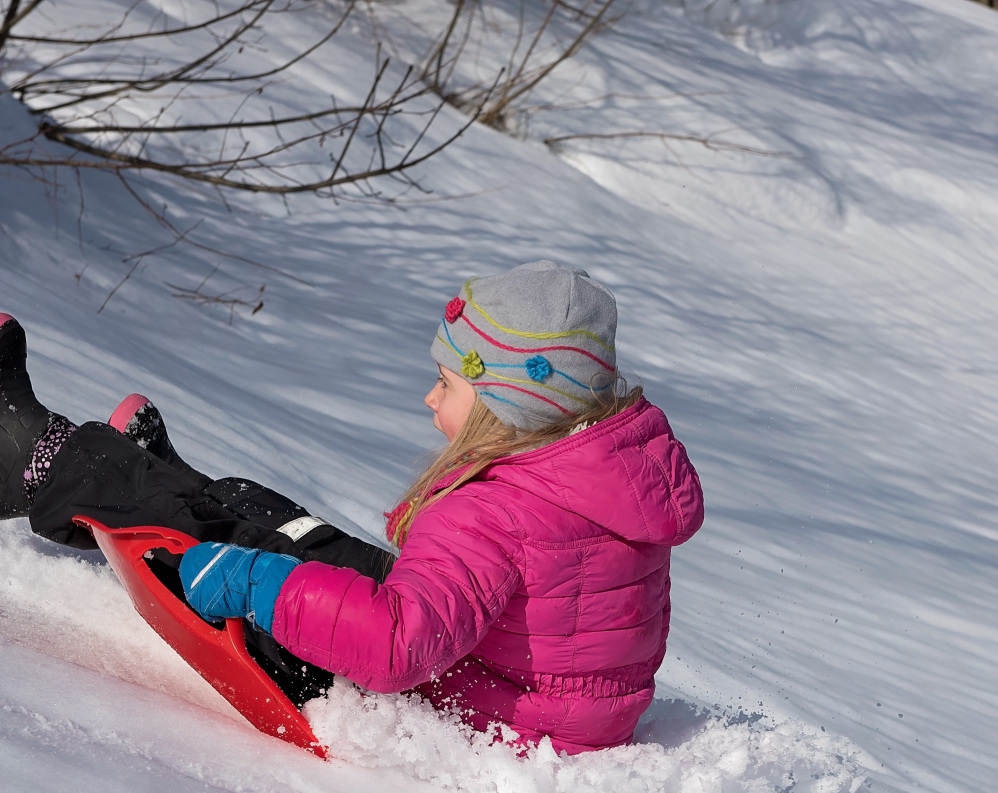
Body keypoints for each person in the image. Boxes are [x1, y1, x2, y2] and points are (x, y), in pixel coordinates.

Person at [0, 260, 704, 753]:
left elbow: (395, 646)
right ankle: (184, 487)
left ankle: (41, 459)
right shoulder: (604, 481)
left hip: (453, 710)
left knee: (260, 557)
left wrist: (255, 584)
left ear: (508, 407)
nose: (431, 399)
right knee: (281, 523)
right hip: (511, 697)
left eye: (447, 385)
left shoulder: (495, 515)